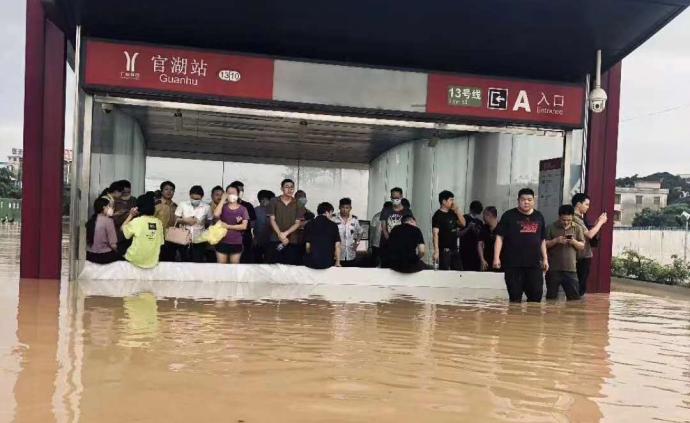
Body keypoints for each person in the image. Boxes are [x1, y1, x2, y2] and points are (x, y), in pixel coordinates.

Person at [494, 188, 548, 303]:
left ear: (534, 200)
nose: (526, 202)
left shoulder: (539, 216)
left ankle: (531, 321)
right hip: (513, 264)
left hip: (534, 264)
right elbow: (499, 237)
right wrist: (496, 257)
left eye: (529, 199)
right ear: (518, 200)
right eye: (523, 199)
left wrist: (545, 259)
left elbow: (542, 239)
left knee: (536, 298)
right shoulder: (508, 216)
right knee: (515, 299)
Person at [545, 205, 586, 301]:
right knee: (551, 299)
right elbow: (544, 244)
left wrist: (573, 242)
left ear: (572, 217)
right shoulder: (551, 227)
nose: (566, 222)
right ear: (559, 217)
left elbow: (582, 246)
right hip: (553, 269)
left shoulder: (578, 228)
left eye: (569, 220)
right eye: (563, 220)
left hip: (571, 269)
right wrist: (556, 240)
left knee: (574, 299)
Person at [571, 193, 608, 296]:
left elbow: (588, 232)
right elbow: (590, 235)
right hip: (581, 256)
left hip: (583, 255)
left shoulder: (580, 218)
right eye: (586, 204)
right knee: (579, 288)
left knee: (579, 287)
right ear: (578, 204)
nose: (588, 207)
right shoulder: (575, 218)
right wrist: (600, 223)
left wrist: (597, 223)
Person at [121, 192, 165, 269]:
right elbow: (161, 242)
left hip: (135, 259)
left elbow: (122, 229)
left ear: (138, 207)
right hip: (152, 261)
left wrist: (131, 215)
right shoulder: (158, 223)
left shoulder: (137, 221)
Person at [267, 179, 306, 265]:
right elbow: (272, 219)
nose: (289, 189)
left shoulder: (298, 203)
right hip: (275, 239)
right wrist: (280, 234)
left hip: (292, 240)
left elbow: (297, 223)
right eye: (287, 187)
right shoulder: (274, 201)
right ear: (281, 188)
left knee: (290, 266)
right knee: (274, 265)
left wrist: (285, 234)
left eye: (292, 187)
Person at [174, 185, 212, 262]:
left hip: (199, 239)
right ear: (189, 195)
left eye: (197, 199)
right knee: (184, 260)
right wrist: (185, 220)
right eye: (193, 198)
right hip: (183, 238)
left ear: (202, 197)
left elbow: (210, 221)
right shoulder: (182, 204)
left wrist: (205, 229)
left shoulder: (207, 207)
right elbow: (176, 219)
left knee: (197, 261)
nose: (195, 200)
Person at [214, 185, 249, 264]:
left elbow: (244, 226)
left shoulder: (243, 209)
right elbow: (216, 214)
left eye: (233, 193)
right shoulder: (222, 207)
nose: (231, 195)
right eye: (228, 193)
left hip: (236, 243)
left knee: (234, 267)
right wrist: (222, 200)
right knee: (221, 267)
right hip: (222, 242)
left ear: (238, 194)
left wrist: (228, 226)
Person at [431, 190, 466, 271]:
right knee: (445, 272)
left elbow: (463, 224)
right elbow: (435, 234)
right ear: (443, 201)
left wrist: (457, 211)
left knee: (459, 272)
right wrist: (436, 251)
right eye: (451, 200)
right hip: (444, 250)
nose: (453, 202)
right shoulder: (437, 216)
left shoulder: (452, 213)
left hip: (454, 248)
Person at [380, 187, 414, 267]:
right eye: (393, 197)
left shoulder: (407, 211)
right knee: (386, 268)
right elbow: (384, 229)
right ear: (390, 197)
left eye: (397, 198)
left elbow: (410, 229)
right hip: (387, 245)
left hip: (402, 246)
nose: (395, 199)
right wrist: (391, 241)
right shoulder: (386, 210)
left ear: (401, 197)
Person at [303, 202, 342, 269]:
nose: (331, 216)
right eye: (331, 213)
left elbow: (307, 246)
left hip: (311, 263)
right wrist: (337, 262)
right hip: (327, 263)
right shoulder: (333, 225)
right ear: (327, 212)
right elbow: (337, 245)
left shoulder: (308, 224)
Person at [229, 180, 257, 263]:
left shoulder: (248, 205)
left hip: (245, 238)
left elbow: (253, 222)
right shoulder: (226, 205)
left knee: (245, 261)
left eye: (242, 190)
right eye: (239, 190)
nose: (241, 192)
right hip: (229, 239)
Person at [85, 197, 120, 264]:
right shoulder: (108, 221)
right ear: (104, 207)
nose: (111, 209)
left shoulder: (90, 221)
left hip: (90, 255)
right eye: (109, 206)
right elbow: (113, 245)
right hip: (104, 257)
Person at [334, 198, 364, 267]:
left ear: (350, 208)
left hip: (350, 254)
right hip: (337, 255)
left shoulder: (354, 220)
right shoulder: (334, 219)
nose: (345, 210)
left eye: (347, 208)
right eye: (342, 207)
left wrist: (357, 243)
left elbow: (361, 231)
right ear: (339, 207)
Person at [155, 181, 178, 261]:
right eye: (166, 189)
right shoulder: (156, 205)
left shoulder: (176, 206)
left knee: (170, 262)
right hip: (157, 239)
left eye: (171, 190)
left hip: (171, 239)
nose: (169, 192)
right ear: (161, 191)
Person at [460, 200, 484, 271]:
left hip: (476, 250)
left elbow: (480, 236)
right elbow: (459, 234)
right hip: (465, 249)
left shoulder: (479, 222)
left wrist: (475, 230)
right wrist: (468, 228)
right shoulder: (464, 218)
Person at [253, 189, 275, 263]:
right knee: (258, 262)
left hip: (271, 242)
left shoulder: (273, 211)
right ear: (262, 200)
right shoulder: (255, 210)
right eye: (271, 200)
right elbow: (251, 225)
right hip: (258, 242)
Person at [369, 201, 392, 267]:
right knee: (375, 263)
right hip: (377, 244)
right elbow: (372, 232)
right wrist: (370, 245)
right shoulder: (376, 216)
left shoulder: (392, 218)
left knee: (385, 264)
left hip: (386, 244)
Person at [478, 206, 500, 272]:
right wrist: (482, 259)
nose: (483, 218)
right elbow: (480, 244)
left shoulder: (502, 228)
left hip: (500, 260)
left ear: (489, 215)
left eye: (484, 215)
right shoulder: (484, 228)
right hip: (487, 260)